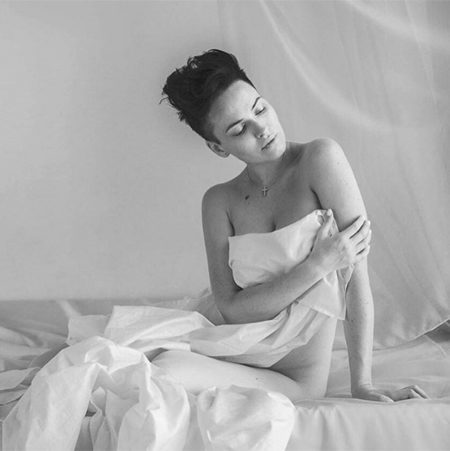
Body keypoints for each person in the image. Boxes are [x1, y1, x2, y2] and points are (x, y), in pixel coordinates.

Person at [158, 49, 428, 403]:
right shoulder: (218, 202)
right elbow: (231, 309)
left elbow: (355, 279)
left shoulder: (320, 160)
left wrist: (362, 383)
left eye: (260, 109)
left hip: (294, 377)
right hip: (224, 345)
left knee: (162, 373)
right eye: (239, 129)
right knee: (130, 360)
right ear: (218, 148)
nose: (262, 129)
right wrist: (318, 265)